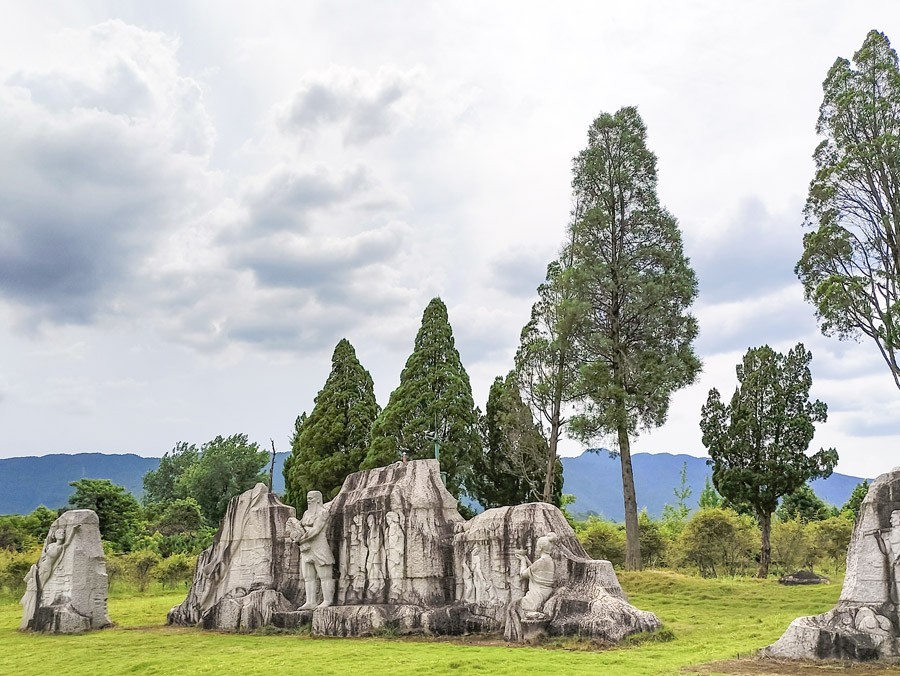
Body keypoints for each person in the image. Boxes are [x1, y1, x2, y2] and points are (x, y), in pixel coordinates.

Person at [287, 490, 335, 609]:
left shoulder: (323, 513)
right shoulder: (306, 514)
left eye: (311, 498)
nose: (308, 500)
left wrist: (300, 540)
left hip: (319, 545)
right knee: (308, 577)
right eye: (308, 498)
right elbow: (299, 528)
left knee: (325, 575)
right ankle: (310, 602)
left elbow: (315, 530)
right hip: (306, 549)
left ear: (318, 499)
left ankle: (327, 600)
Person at [515, 532, 557, 615]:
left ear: (540, 548)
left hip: (537, 595)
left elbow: (523, 574)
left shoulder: (540, 562)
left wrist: (523, 561)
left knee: (514, 606)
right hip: (546, 592)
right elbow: (534, 570)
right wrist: (526, 559)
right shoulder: (549, 560)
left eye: (537, 546)